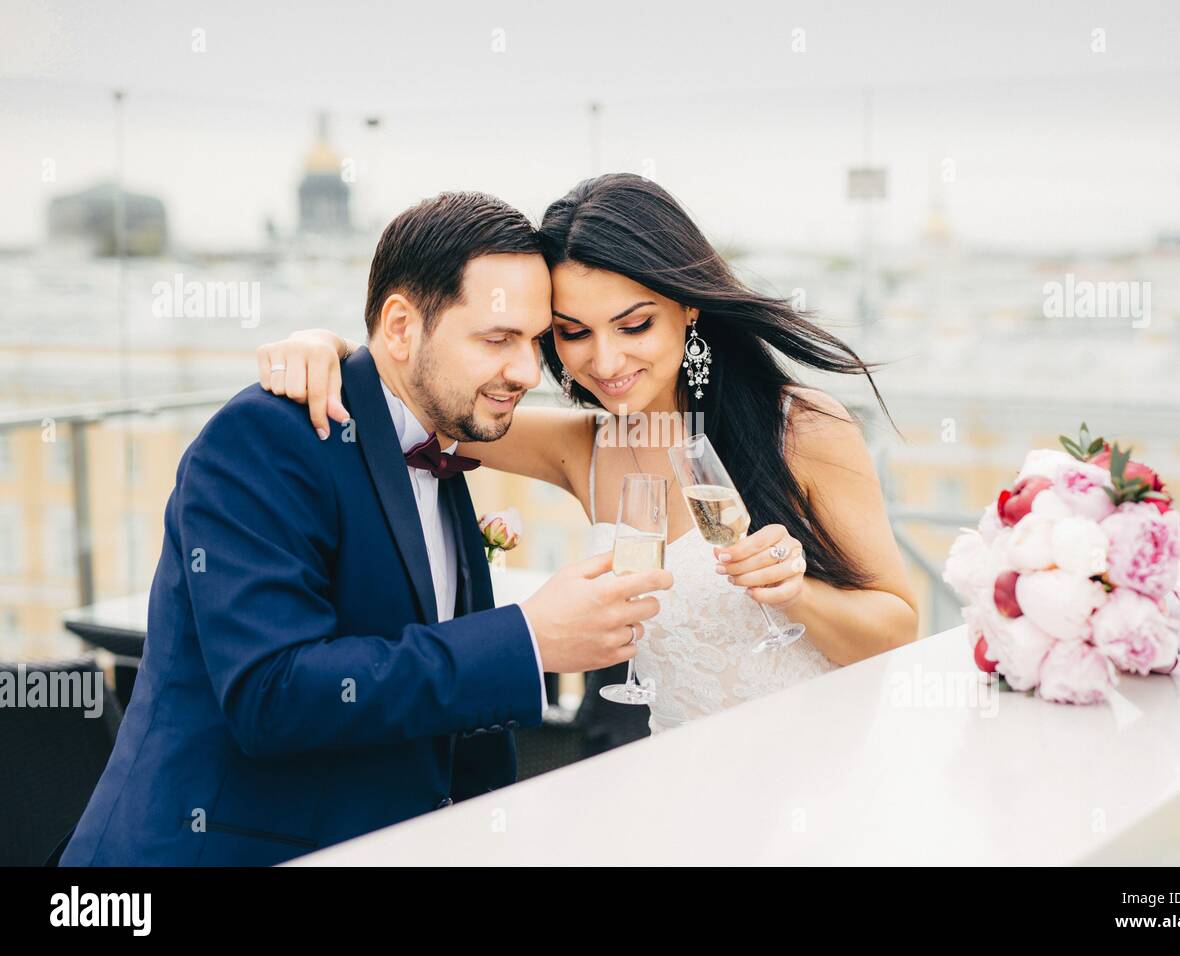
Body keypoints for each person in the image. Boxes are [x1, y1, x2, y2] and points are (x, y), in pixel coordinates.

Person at [59, 192, 670, 866]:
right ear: (402, 328)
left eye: (535, 341)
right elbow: (272, 695)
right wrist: (528, 638)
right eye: (498, 339)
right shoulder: (264, 437)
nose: (528, 371)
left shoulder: (442, 437)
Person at [258, 174, 918, 737]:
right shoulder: (584, 449)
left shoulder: (802, 429)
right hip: (678, 784)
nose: (605, 362)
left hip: (813, 771)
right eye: (573, 333)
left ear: (688, 308)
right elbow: (424, 394)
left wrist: (795, 595)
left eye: (634, 325)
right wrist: (330, 348)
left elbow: (898, 627)